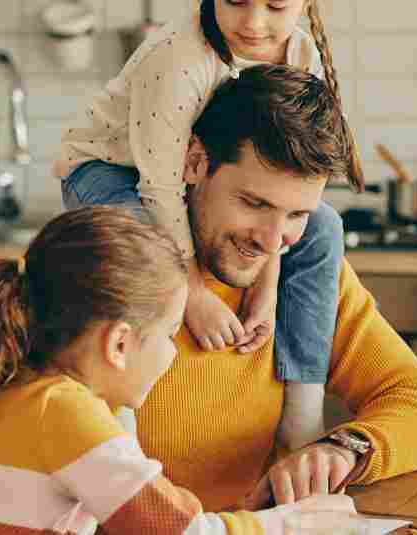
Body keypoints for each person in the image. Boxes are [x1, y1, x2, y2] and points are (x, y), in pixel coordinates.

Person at [0, 207, 354, 534]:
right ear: (119, 343)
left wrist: (238, 519)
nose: (173, 354)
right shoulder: (60, 412)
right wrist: (299, 521)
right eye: (169, 335)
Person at [136, 64, 417, 510]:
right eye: (254, 203)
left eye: (297, 215)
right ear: (194, 162)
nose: (272, 241)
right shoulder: (96, 278)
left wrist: (343, 449)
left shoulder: (304, 276)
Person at [55, 0, 364, 451]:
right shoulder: (178, 59)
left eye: (276, 5)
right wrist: (193, 292)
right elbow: (158, 188)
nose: (254, 23)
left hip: (177, 180)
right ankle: (118, 422)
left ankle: (302, 416)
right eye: (235, 0)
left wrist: (267, 284)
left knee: (326, 228)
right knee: (137, 249)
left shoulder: (301, 54)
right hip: (107, 170)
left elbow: (290, 177)